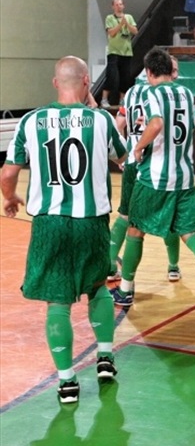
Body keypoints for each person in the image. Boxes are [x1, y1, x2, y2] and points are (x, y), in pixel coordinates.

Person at [1, 56, 127, 403]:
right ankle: (104, 358)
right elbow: (124, 157)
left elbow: (8, 173)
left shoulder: (31, 121)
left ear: (56, 83)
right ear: (88, 82)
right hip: (91, 222)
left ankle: (67, 381)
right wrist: (109, 118)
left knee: (58, 302)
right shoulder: (100, 120)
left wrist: (11, 199)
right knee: (98, 286)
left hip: (49, 224)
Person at [110, 48, 195, 316]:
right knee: (189, 232)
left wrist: (139, 147)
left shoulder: (152, 92)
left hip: (156, 177)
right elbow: (187, 124)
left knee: (135, 229)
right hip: (184, 175)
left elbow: (156, 123)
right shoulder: (185, 93)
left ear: (150, 72)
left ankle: (125, 288)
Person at [109, 56, 182, 283]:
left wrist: (124, 153)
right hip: (159, 162)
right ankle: (173, 266)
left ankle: (110, 264)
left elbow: (118, 124)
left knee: (125, 215)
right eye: (174, 70)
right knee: (170, 214)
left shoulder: (131, 93)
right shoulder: (174, 94)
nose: (176, 75)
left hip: (132, 162)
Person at [101, 0, 137, 108]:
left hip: (126, 52)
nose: (119, 6)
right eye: (116, 4)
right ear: (113, 7)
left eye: (120, 4)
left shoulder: (129, 17)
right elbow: (111, 33)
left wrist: (127, 24)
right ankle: (104, 99)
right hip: (114, 51)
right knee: (112, 76)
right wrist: (121, 24)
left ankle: (122, 99)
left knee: (125, 77)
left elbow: (135, 31)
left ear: (123, 6)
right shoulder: (110, 18)